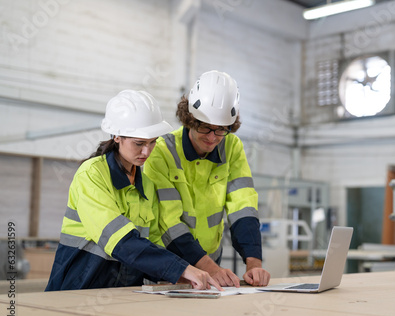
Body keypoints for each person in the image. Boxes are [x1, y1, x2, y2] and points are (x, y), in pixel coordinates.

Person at [45, 90, 222, 291]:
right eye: (139, 143)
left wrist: (181, 275)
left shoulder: (145, 184)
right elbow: (120, 242)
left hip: (122, 295)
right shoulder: (92, 175)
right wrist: (181, 269)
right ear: (117, 136)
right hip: (77, 291)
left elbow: (153, 243)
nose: (147, 151)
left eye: (152, 142)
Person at [144, 70, 270, 287]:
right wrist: (210, 269)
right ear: (189, 119)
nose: (212, 138)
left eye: (221, 130)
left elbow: (243, 207)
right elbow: (168, 222)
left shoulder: (232, 146)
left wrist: (254, 263)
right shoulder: (161, 152)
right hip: (170, 263)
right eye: (205, 127)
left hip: (211, 259)